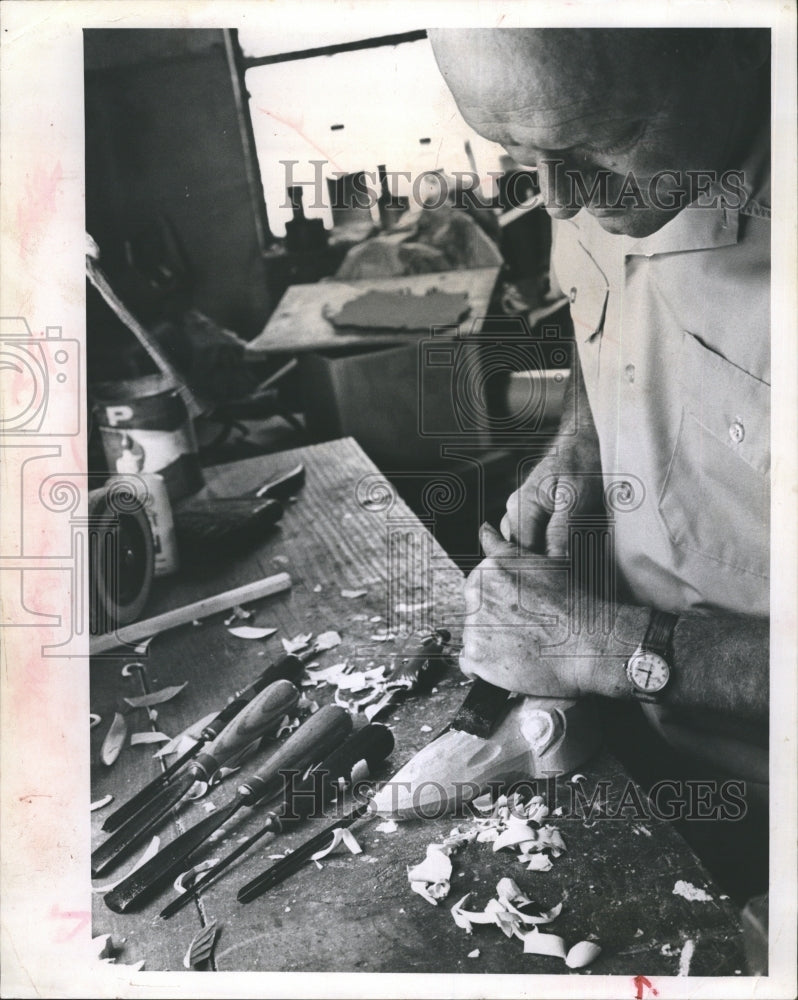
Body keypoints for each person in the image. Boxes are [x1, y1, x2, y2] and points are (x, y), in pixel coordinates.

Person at [427, 28, 770, 897]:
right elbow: (602, 306)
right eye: (518, 156)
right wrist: (580, 435)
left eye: (590, 143)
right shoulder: (591, 173)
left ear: (738, 42)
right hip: (650, 739)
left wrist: (614, 645)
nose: (558, 199)